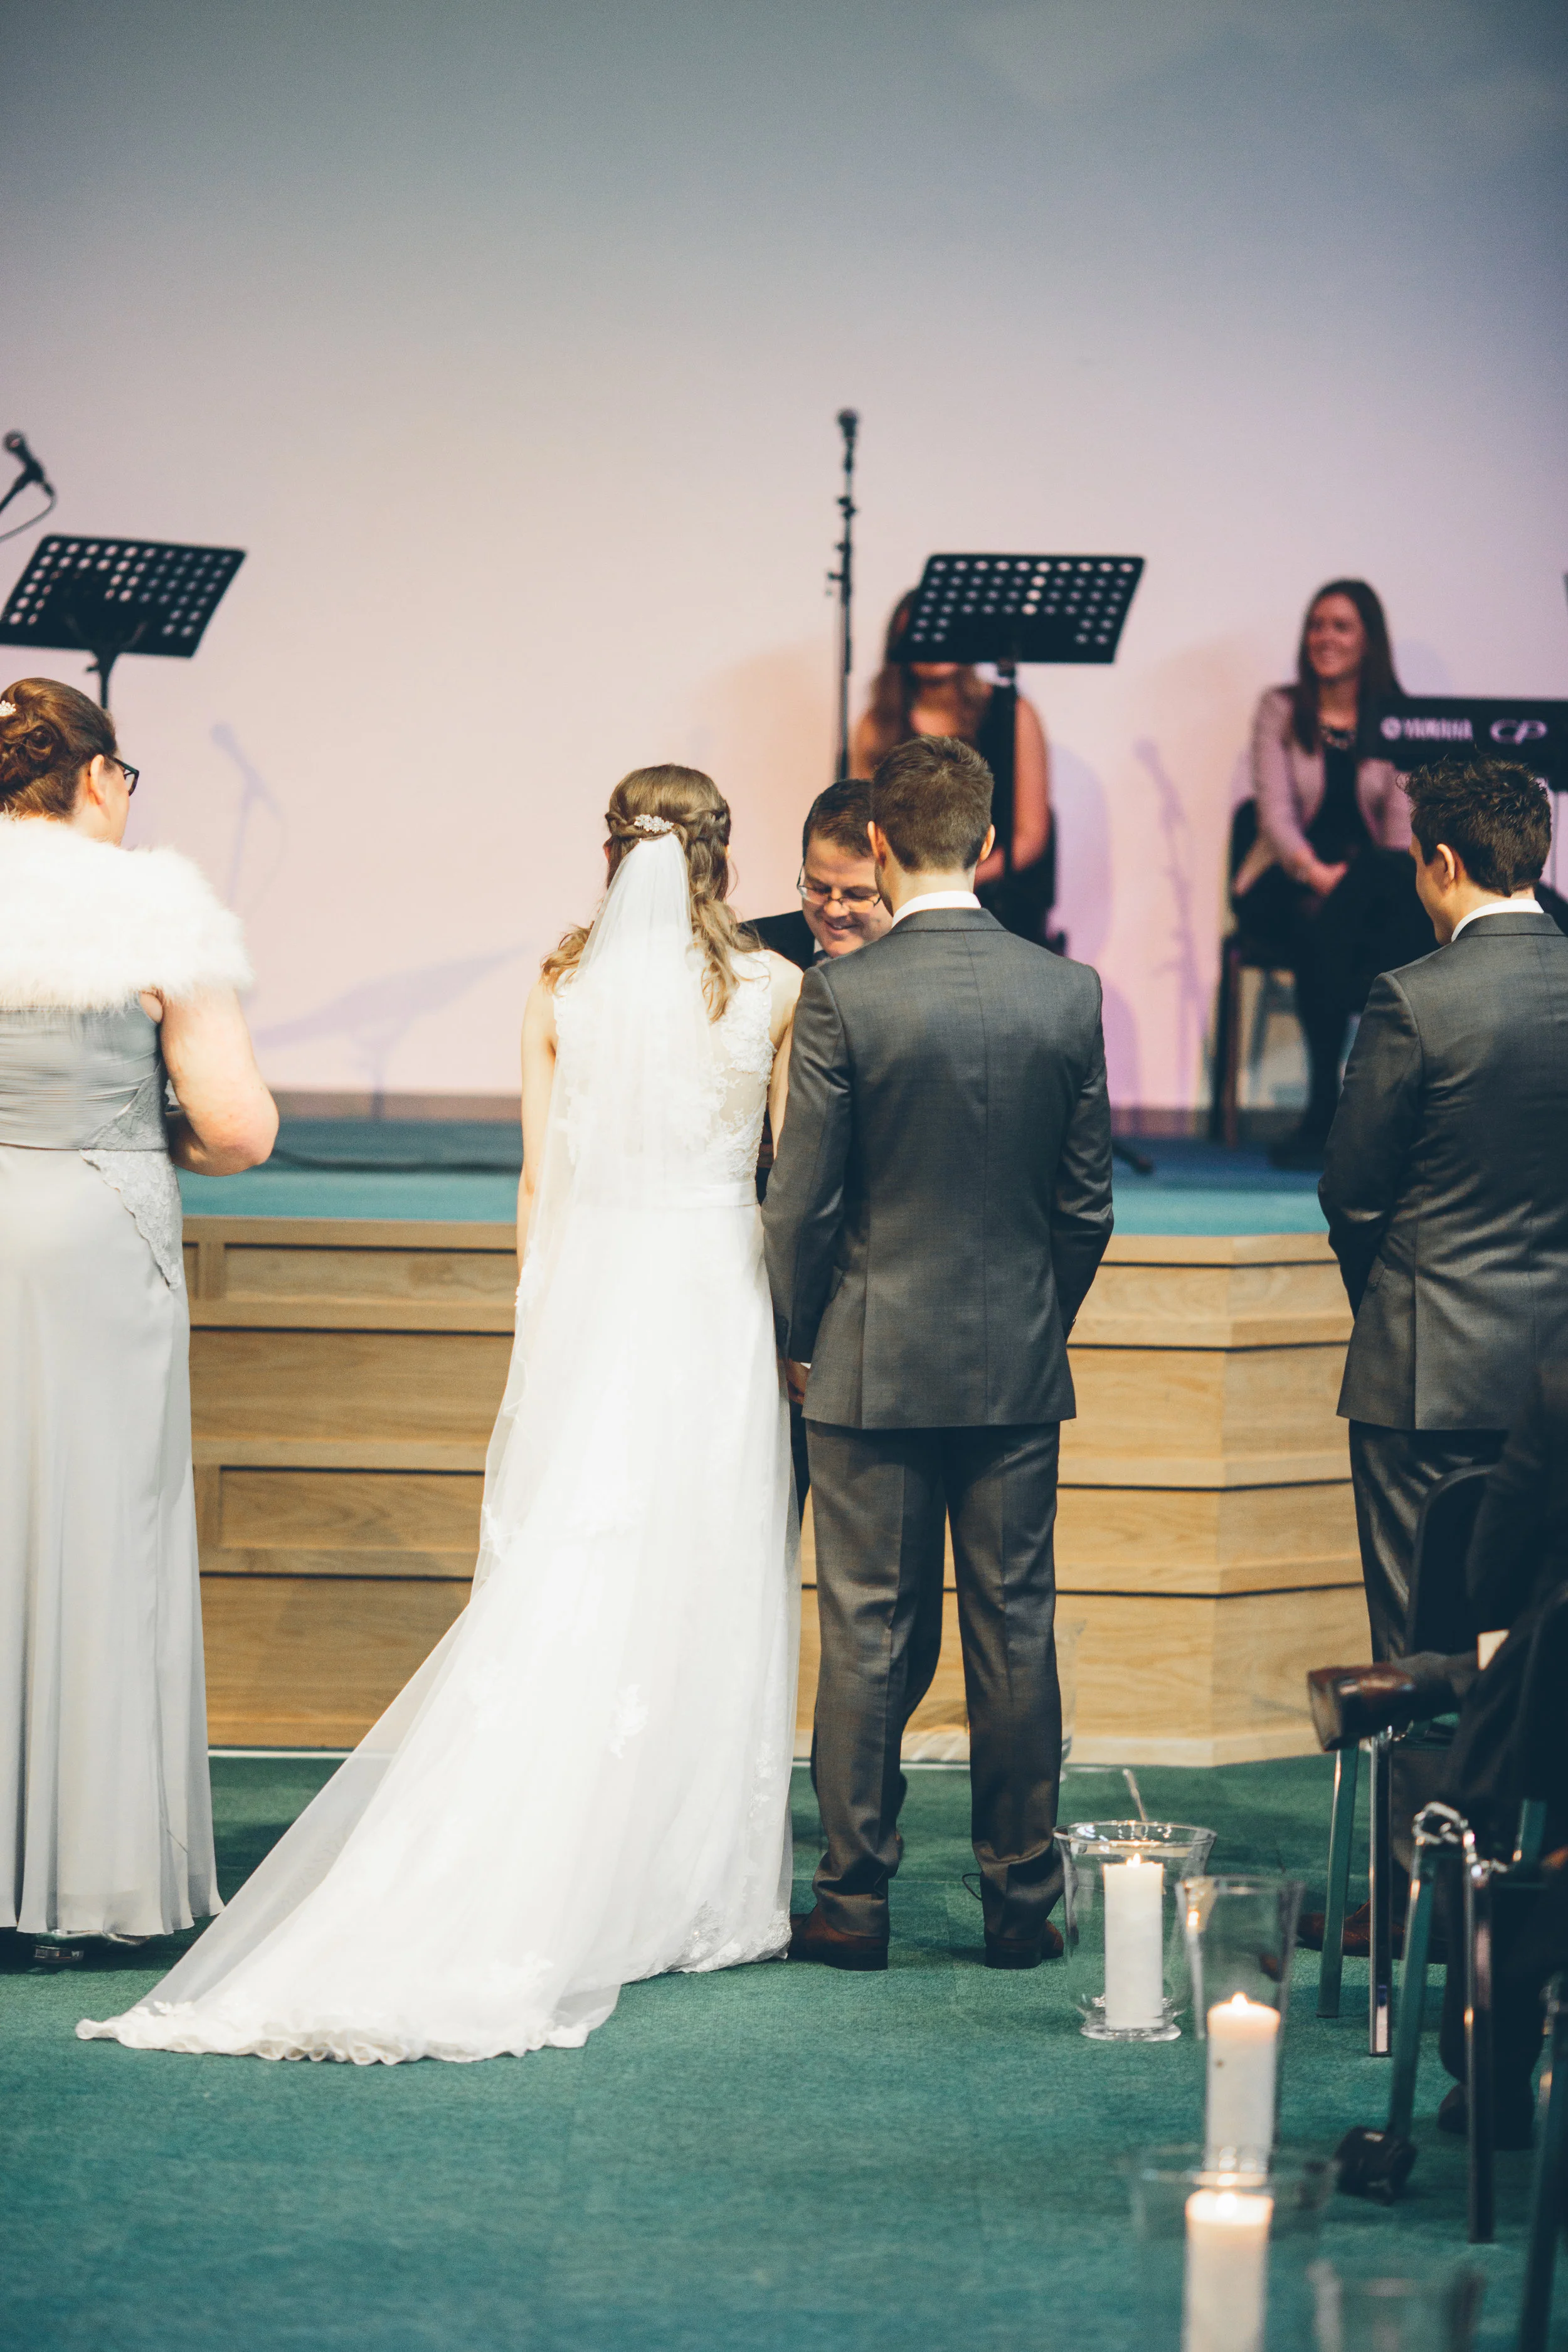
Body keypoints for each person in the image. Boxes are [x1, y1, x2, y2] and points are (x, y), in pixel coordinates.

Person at [82, 765, 805, 2063]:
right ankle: (697, 1884)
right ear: (722, 857)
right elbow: (786, 1174)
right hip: (718, 1292)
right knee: (711, 1560)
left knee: (584, 1557)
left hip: (598, 1292)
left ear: (607, 852)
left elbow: (538, 1177)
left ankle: (585, 1851)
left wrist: (547, 1320)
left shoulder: (558, 986)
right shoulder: (770, 990)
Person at [764, 735, 1113, 1973]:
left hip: (863, 1360)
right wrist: (1032, 1314)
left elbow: (801, 1206)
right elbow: (1085, 1211)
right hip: (1012, 1359)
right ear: (993, 844)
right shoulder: (1064, 993)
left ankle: (851, 1904)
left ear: (873, 846)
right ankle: (1023, 1904)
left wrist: (795, 1340)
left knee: (863, 1630)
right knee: (1014, 1628)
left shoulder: (843, 996)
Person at [0, 677, 275, 1960]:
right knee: (97, 1537)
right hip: (95, 1238)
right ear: (100, 780)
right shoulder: (152, 905)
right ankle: (81, 1889)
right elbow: (235, 1129)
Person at [1315, 756, 1568, 1926]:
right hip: (1555, 1375)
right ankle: (1530, 1877)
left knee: (1417, 1647)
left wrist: (1394, 1301)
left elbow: (1355, 1195)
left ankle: (1420, 1908)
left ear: (1445, 864)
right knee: (1543, 1632)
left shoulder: (1414, 997)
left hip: (1425, 1364)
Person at [1234, 579, 1431, 1168]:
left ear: (1369, 640)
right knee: (1322, 923)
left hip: (1368, 880)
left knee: (1393, 914)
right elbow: (1274, 818)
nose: (1325, 637)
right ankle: (1327, 1109)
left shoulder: (1397, 718)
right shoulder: (1280, 708)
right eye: (1316, 624)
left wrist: (1359, 886)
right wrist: (1324, 879)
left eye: (1341, 626)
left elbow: (1400, 832)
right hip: (1287, 879)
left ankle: (1378, 1114)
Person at [851, 593, 1054, 944]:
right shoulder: (878, 724)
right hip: (905, 903)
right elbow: (867, 827)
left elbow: (1031, 835)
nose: (933, 645)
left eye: (944, 632)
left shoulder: (1013, 714)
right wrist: (911, 891)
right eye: (920, 634)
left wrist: (952, 890)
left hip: (998, 903)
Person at [749, 778, 891, 970]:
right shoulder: (745, 949)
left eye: (856, 895)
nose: (833, 910)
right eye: (819, 888)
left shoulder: (934, 969)